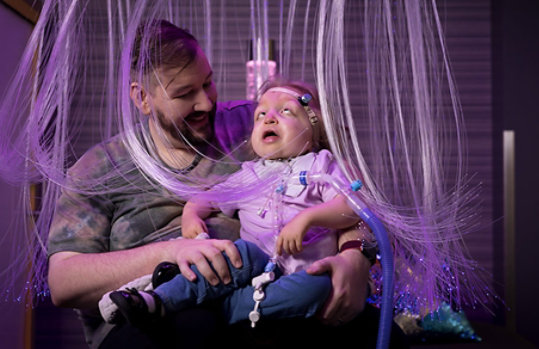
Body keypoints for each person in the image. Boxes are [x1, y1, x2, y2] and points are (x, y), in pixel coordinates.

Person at [46, 20, 387, 349]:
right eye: (185, 94)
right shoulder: (100, 167)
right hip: (164, 320)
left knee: (374, 334)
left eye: (208, 83)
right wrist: (172, 251)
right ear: (142, 98)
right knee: (197, 328)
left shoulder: (253, 124)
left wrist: (354, 257)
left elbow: (344, 187)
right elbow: (63, 283)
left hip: (271, 297)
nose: (206, 103)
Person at [103, 80, 370, 328]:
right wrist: (191, 214)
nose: (270, 118)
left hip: (302, 274)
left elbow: (351, 206)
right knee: (238, 253)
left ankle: (222, 308)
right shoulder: (250, 174)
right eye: (260, 115)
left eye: (286, 112)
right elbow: (207, 198)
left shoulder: (323, 164)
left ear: (315, 129)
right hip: (255, 266)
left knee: (320, 288)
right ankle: (157, 300)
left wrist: (309, 218)